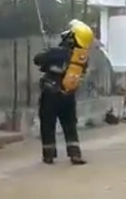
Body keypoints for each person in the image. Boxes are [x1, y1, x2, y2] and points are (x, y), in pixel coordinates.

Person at [33, 19, 95, 165]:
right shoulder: (82, 58)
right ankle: (75, 154)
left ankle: (49, 155)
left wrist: (47, 53)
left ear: (71, 37)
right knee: (70, 125)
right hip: (68, 94)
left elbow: (37, 60)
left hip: (51, 94)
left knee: (48, 124)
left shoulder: (56, 52)